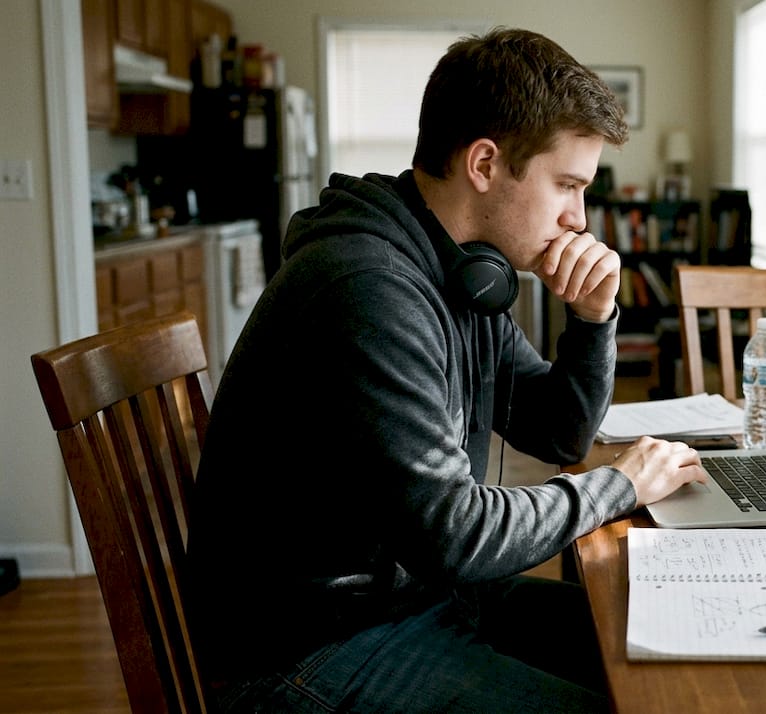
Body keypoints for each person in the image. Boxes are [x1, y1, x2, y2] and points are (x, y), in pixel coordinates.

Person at [187, 27, 705, 713]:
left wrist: (593, 318)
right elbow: (456, 532)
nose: (580, 219)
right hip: (309, 648)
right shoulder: (368, 288)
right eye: (568, 186)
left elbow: (556, 432)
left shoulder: (465, 274)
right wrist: (622, 486)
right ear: (485, 164)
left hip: (410, 599)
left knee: (666, 650)